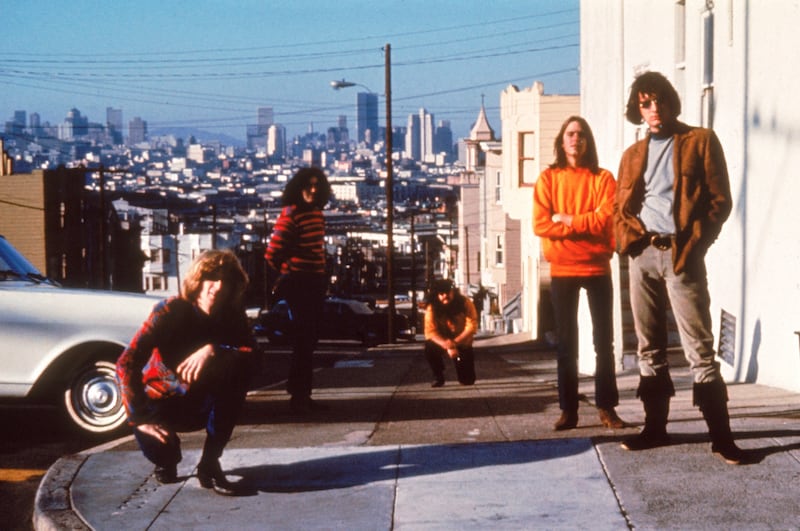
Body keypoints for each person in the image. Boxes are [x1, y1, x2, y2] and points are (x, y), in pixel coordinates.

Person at [614, 71, 744, 464]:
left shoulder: (699, 141)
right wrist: (632, 241)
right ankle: (655, 429)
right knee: (648, 347)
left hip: (681, 254)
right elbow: (620, 209)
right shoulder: (632, 155)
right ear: (638, 110)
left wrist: (697, 244)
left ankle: (722, 437)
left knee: (699, 348)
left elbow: (720, 201)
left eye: (659, 102)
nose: (654, 111)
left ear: (671, 102)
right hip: (643, 255)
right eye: (645, 104)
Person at [116, 249, 256, 495]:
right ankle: (166, 461)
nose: (218, 286)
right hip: (160, 404)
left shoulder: (233, 316)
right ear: (198, 280)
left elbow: (254, 355)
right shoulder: (169, 310)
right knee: (164, 451)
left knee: (239, 372)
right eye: (212, 277)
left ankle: (210, 464)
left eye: (226, 279)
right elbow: (126, 362)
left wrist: (215, 350)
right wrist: (140, 418)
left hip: (202, 402)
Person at [533, 115, 626, 431]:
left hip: (597, 266)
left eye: (582, 134)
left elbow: (605, 220)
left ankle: (607, 409)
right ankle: (568, 411)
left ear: (588, 141)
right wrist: (585, 222)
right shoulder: (548, 179)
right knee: (566, 346)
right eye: (570, 134)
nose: (576, 139)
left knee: (604, 343)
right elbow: (540, 224)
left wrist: (568, 220)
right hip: (562, 269)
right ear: (561, 141)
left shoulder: (603, 178)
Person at [264, 166, 331, 414]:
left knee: (310, 340)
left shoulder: (316, 214)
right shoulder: (291, 215)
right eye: (307, 185)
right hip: (299, 282)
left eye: (317, 185)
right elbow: (271, 253)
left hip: (315, 281)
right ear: (298, 188)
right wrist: (289, 269)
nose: (312, 190)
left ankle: (303, 394)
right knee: (304, 340)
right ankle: (298, 396)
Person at [423, 278, 478, 387]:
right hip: (441, 341)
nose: (445, 296)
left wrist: (454, 344)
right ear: (437, 295)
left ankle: (462, 372)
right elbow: (430, 332)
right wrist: (448, 345)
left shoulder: (465, 303)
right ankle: (438, 376)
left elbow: (471, 326)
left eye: (447, 292)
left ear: (453, 292)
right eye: (441, 293)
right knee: (429, 347)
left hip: (462, 341)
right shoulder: (432, 308)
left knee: (467, 381)